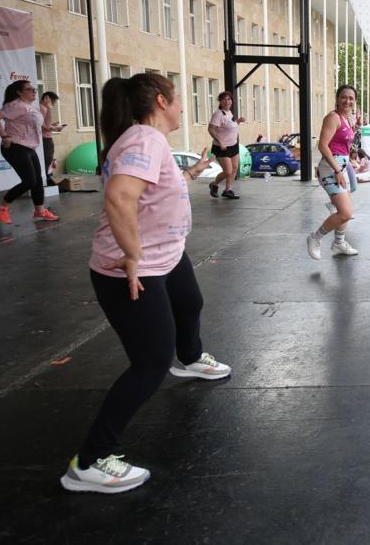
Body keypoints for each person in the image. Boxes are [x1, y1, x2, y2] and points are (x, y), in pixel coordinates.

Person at [62, 74, 231, 494]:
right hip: (133, 268)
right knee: (151, 363)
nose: (181, 107)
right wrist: (133, 256)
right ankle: (90, 461)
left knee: (190, 301)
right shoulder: (144, 138)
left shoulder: (147, 140)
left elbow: (154, 190)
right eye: (177, 99)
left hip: (166, 257)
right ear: (161, 101)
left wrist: (190, 172)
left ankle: (189, 357)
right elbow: (119, 197)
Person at [0, 79, 59, 224]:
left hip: (29, 148)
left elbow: (45, 126)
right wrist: (4, 136)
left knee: (38, 181)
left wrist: (48, 109)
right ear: (19, 92)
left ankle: (40, 211)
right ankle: (0, 206)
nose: (34, 91)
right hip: (15, 146)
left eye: (34, 89)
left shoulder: (31, 107)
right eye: (29, 89)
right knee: (29, 181)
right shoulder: (16, 105)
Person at [307, 85, 361, 259]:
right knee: (345, 213)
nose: (347, 101)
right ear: (337, 98)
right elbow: (323, 145)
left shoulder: (346, 118)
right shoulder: (333, 117)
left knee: (345, 211)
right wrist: (337, 170)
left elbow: (342, 139)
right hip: (332, 168)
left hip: (341, 166)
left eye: (351, 98)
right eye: (344, 97)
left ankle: (339, 243)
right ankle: (315, 238)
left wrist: (356, 128)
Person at [207, 91, 245, 200]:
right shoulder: (218, 114)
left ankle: (228, 190)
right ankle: (214, 184)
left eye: (229, 99)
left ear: (231, 101)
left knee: (234, 168)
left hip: (233, 145)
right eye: (224, 99)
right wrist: (220, 141)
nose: (227, 101)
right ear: (220, 101)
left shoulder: (229, 113)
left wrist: (238, 121)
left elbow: (229, 126)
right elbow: (211, 129)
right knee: (227, 171)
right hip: (222, 147)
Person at [39, 91, 65, 185]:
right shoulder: (42, 108)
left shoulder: (43, 108)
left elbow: (45, 125)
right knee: (47, 160)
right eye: (53, 102)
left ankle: (46, 179)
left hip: (45, 138)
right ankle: (45, 180)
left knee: (48, 160)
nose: (53, 105)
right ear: (47, 98)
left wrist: (53, 126)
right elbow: (45, 127)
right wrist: (56, 128)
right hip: (45, 138)